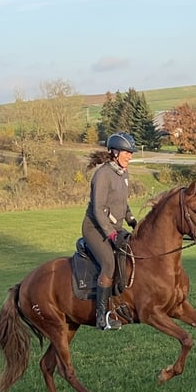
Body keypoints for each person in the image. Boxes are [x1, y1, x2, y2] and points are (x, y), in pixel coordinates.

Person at [82, 132, 138, 330]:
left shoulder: (123, 174)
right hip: (95, 228)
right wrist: (112, 235)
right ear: (114, 152)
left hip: (114, 227)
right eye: (126, 153)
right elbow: (98, 210)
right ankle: (101, 318)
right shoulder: (103, 175)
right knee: (108, 263)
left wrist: (131, 220)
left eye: (131, 153)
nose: (129, 156)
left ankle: (122, 302)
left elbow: (122, 202)